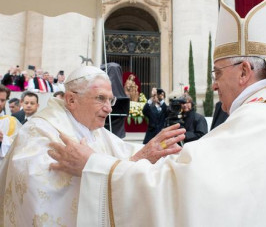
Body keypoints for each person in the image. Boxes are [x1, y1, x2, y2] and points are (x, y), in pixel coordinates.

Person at [47, 0, 266, 226]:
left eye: (217, 73)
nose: (215, 85)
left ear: (244, 71)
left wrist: (95, 166)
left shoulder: (259, 119)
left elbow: (185, 190)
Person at [1, 66, 185, 226]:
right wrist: (130, 164)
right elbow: (39, 192)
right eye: (100, 98)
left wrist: (150, 152)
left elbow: (125, 152)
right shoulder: (40, 131)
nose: (109, 108)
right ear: (71, 100)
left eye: (110, 100)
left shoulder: (94, 129)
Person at [0, 85, 21, 158]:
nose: (0, 103)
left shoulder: (12, 122)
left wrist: (3, 139)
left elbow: (20, 147)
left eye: (2, 100)